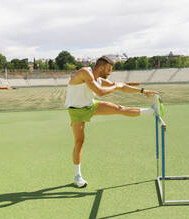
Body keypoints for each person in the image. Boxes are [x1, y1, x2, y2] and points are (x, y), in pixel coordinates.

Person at [65, 55, 163, 188]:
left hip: (90, 106)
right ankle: (77, 176)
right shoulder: (84, 73)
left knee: (119, 108)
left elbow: (122, 87)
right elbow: (100, 92)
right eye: (109, 70)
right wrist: (115, 86)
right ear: (100, 67)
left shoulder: (98, 79)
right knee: (79, 141)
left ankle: (152, 110)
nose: (110, 73)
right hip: (76, 111)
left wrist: (142, 91)